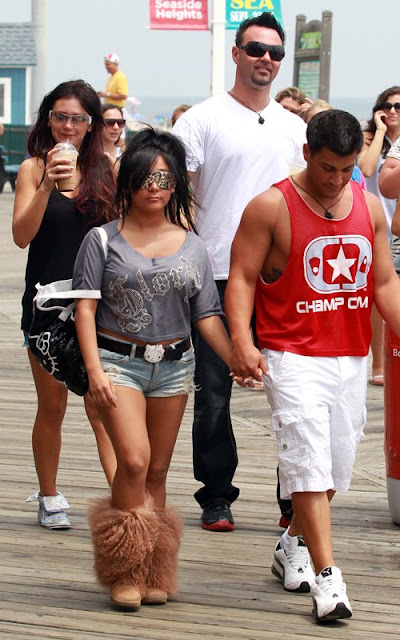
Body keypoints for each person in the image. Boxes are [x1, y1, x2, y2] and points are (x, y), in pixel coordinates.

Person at [225, 109, 400, 622]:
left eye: (347, 169)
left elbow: (384, 282)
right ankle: (329, 578)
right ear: (306, 153)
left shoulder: (369, 206)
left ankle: (291, 544)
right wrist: (242, 342)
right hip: (290, 354)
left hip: (350, 355)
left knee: (333, 468)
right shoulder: (270, 206)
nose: (337, 180)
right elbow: (241, 277)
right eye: (327, 168)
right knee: (306, 459)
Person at [72, 127, 233, 611]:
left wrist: (237, 359)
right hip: (118, 363)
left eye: (164, 178)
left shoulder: (194, 246)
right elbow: (84, 309)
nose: (154, 187)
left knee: (159, 470)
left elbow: (207, 315)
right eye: (145, 177)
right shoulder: (102, 240)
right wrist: (95, 370)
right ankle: (122, 570)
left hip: (174, 367)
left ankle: (153, 570)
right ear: (129, 181)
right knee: (135, 461)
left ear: (176, 183)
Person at [172, 11, 306, 532]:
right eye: (255, 49)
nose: (265, 59)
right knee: (213, 393)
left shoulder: (295, 129)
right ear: (236, 53)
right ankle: (215, 495)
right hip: (217, 274)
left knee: (291, 394)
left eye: (275, 52)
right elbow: (176, 196)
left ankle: (294, 498)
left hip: (281, 278)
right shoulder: (201, 119)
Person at [12, 80, 118, 529]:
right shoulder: (32, 169)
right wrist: (46, 187)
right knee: (52, 405)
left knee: (103, 406)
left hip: (96, 304)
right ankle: (49, 493)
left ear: (91, 124)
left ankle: (124, 500)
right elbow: (21, 236)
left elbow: (120, 235)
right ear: (48, 119)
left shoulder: (106, 170)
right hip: (46, 307)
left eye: (78, 118)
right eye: (60, 116)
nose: (68, 126)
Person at [358, 86, 400, 386]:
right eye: (386, 106)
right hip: (374, 225)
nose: (392, 111)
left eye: (399, 106)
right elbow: (367, 168)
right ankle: (378, 363)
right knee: (376, 299)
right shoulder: (369, 138)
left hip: (395, 227)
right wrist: (381, 131)